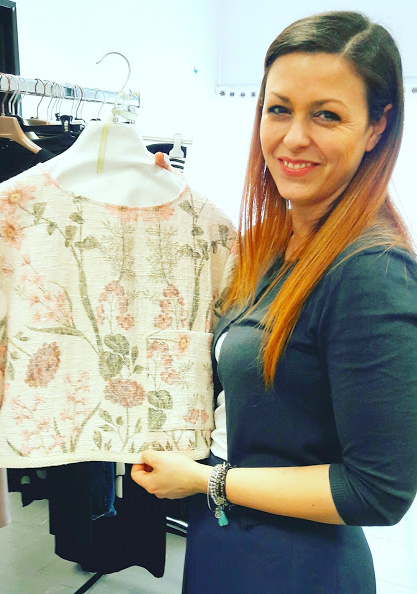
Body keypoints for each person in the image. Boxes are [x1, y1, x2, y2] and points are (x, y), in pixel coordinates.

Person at [131, 10, 417, 593]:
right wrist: (159, 210)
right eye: (279, 109)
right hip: (226, 542)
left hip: (296, 569)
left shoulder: (372, 275)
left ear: (377, 127)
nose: (293, 138)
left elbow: (378, 492)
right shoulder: (272, 244)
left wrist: (206, 481)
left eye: (327, 115)